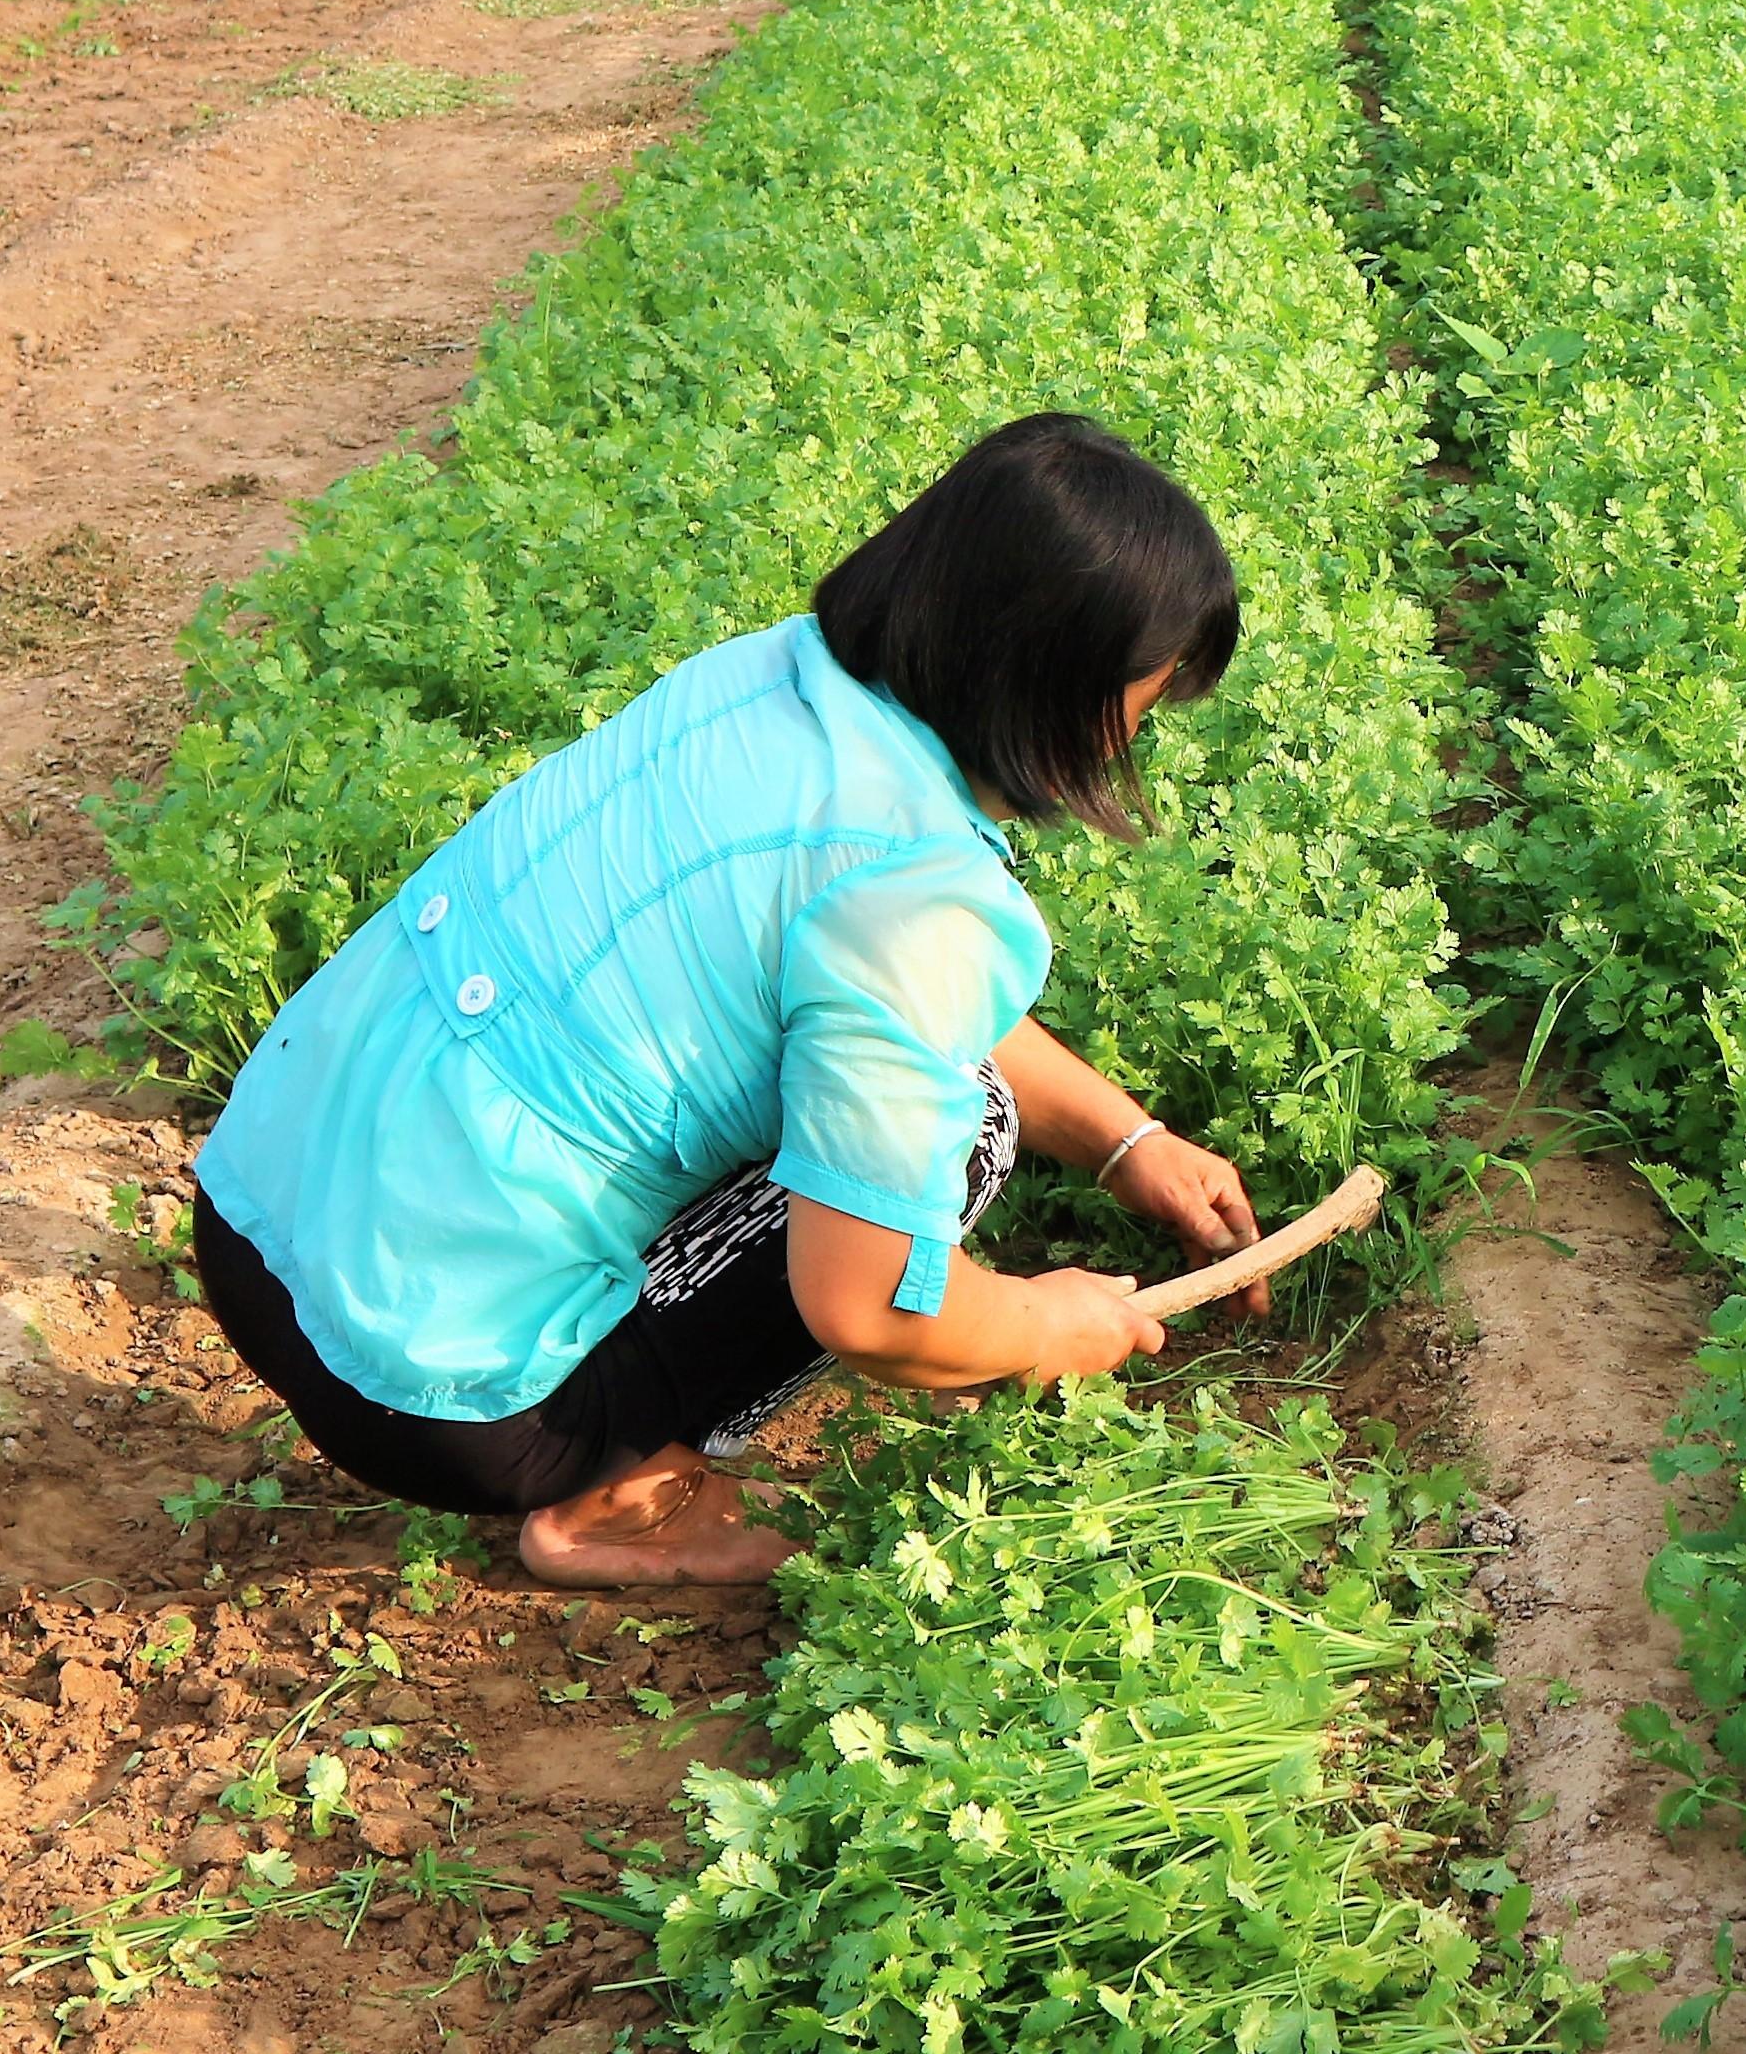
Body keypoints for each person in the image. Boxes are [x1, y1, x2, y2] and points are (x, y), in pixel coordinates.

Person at [188, 413, 1270, 1586]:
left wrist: (1127, 1139)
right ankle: (624, 1496)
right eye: (1141, 706)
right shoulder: (914, 893)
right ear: (1046, 684)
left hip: (254, 1224)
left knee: (893, 1092)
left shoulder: (768, 678)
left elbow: (882, 987)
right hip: (431, 1389)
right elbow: (868, 1306)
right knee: (969, 1134)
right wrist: (1043, 1321)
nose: (1132, 743)